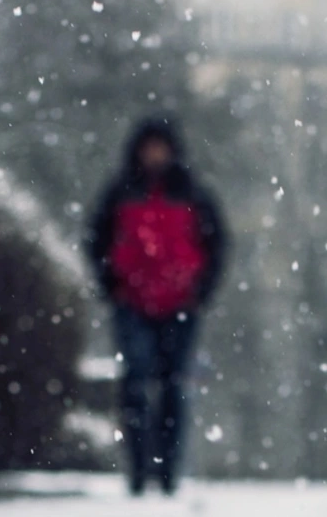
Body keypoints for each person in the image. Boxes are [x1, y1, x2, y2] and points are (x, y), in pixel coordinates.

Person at [89, 115, 226, 496]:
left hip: (180, 304)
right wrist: (112, 285)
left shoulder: (194, 195)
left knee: (172, 388)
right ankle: (137, 471)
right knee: (135, 384)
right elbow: (97, 240)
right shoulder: (120, 192)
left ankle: (167, 473)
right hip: (131, 302)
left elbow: (216, 246)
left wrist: (200, 291)